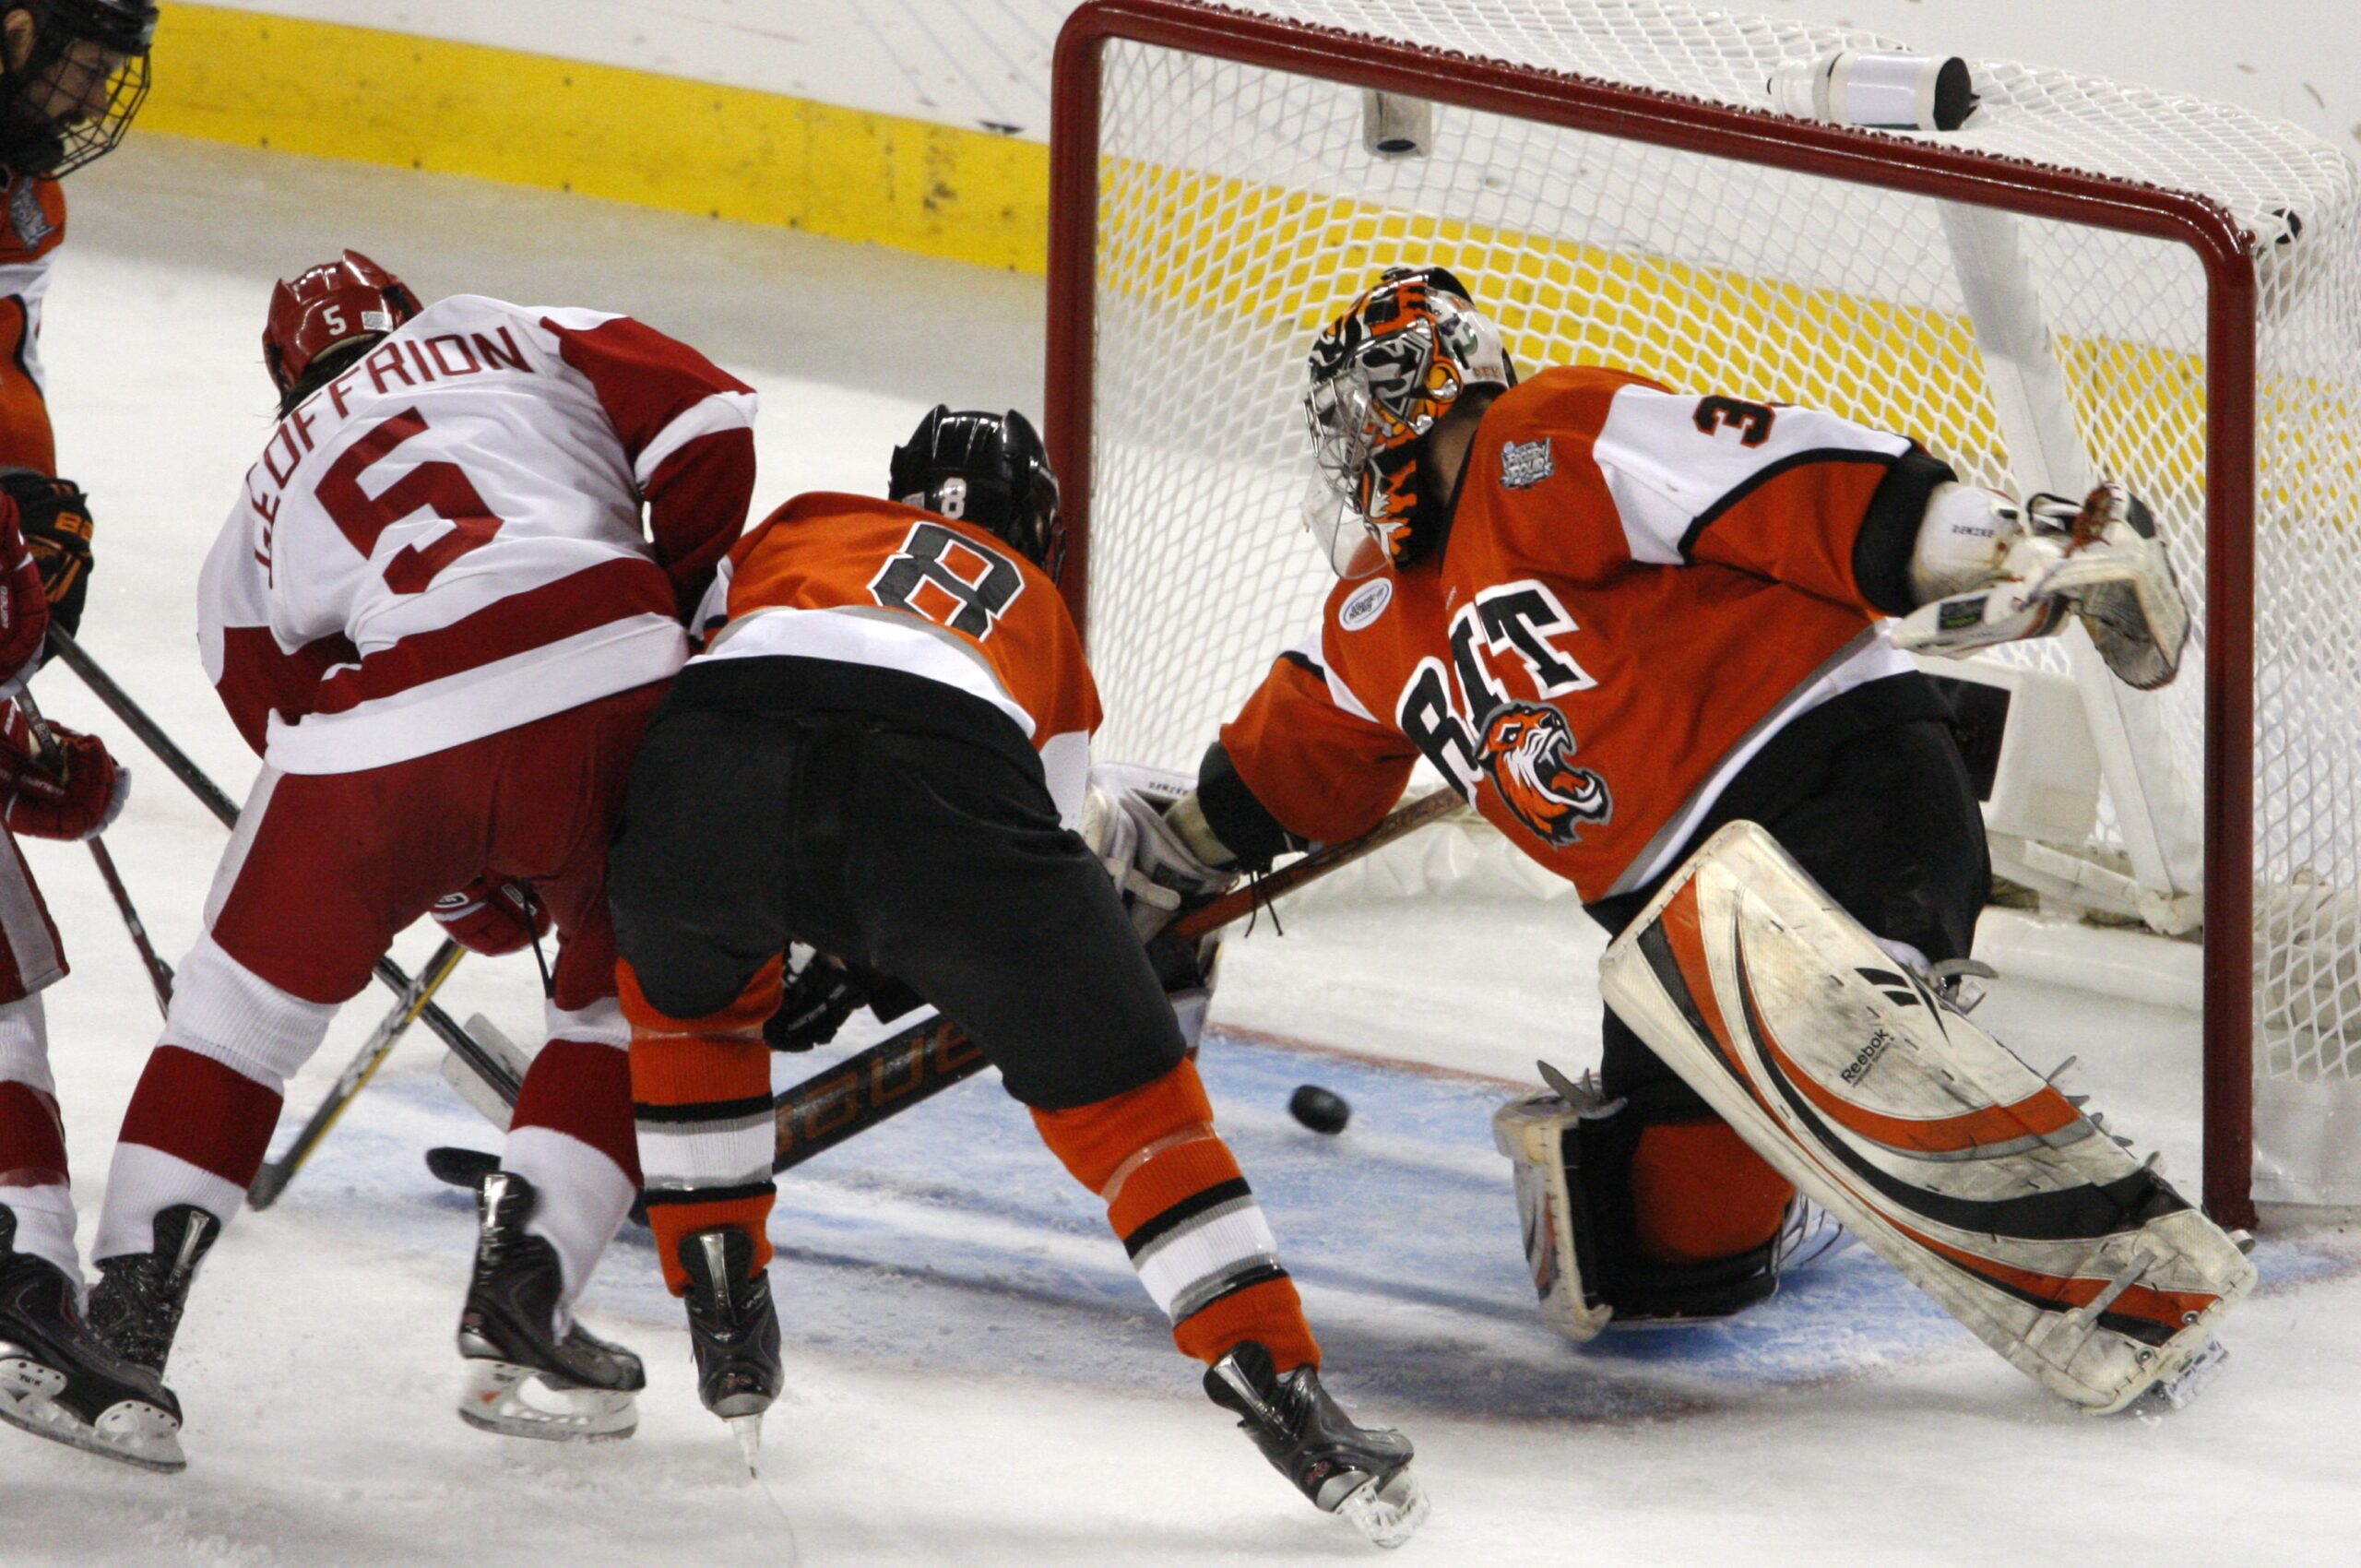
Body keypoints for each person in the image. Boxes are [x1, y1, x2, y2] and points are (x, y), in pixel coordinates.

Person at [1108, 265, 2238, 1407]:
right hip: (1675, 936)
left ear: (1409, 390)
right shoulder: (1372, 616)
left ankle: (1921, 1077)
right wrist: (1173, 859)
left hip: (1829, 786)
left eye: (1353, 418)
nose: (1348, 459)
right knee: (1645, 1264)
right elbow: (1290, 771)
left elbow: (1774, 474)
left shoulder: (1538, 442)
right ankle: (1831, 1155)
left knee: (1826, 1016)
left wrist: (2005, 537)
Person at [605, 408, 1426, 1547]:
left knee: (690, 1014)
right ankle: (1281, 1390)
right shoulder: (1040, 615)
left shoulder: (801, 523)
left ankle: (721, 1295)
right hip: (941, 800)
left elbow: (695, 675)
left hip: (707, 772)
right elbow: (1048, 847)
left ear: (900, 487)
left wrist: (797, 932)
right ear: (1039, 520)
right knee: (1139, 1110)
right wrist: (902, 949)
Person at [69, 250, 756, 1457]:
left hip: (387, 742)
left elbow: (285, 725)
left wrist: (460, 886)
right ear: (407, 317)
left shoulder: (254, 514)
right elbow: (709, 415)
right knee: (614, 1007)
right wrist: (685, 608)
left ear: (286, 381)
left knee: (231, 1020)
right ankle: (522, 1290)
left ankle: (120, 1337)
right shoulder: (507, 326)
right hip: (614, 668)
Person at [0, 0, 184, 1473]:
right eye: (66, 50)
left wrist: (29, 538)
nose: (84, 86)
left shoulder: (25, 191)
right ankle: (17, 1277)